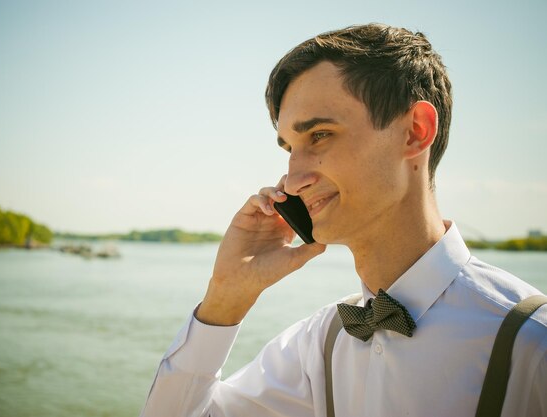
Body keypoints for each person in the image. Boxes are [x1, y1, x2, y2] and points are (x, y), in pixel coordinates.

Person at [140, 23, 547, 417]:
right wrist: (226, 296)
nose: (294, 180)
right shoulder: (321, 343)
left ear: (414, 132)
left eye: (319, 135)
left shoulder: (533, 343)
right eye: (290, 148)